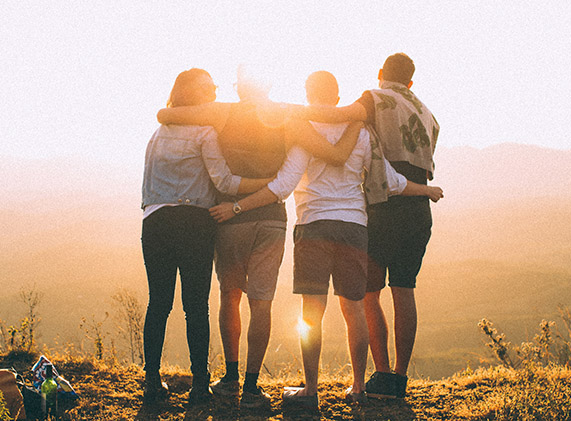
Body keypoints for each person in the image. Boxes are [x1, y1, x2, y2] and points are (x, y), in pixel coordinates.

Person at [209, 71, 443, 408]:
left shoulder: (304, 130)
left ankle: (311, 390)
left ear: (308, 94)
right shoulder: (362, 132)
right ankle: (359, 387)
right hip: (354, 228)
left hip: (313, 226)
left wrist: (237, 206)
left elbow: (283, 186)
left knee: (311, 314)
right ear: (337, 98)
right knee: (354, 310)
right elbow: (391, 181)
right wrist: (427, 190)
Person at [156, 67, 358, 408]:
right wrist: (356, 119)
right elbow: (330, 152)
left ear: (239, 88)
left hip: (229, 218)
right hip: (271, 220)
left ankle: (230, 377)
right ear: (269, 84)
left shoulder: (223, 112)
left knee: (230, 296)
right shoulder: (289, 117)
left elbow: (166, 114)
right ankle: (251, 387)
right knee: (261, 303)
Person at [297, 53, 441, 399]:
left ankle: (381, 374)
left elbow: (337, 115)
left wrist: (288, 114)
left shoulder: (373, 98)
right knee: (404, 290)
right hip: (417, 207)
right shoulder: (427, 113)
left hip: (382, 205)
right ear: (410, 81)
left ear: (380, 74)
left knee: (369, 295)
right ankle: (400, 379)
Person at [140, 68, 271, 405]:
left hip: (155, 222)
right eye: (208, 86)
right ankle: (200, 385)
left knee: (159, 304)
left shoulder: (158, 133)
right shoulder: (205, 132)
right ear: (193, 94)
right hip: (194, 222)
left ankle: (152, 382)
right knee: (195, 306)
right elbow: (225, 183)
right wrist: (266, 184)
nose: (214, 90)